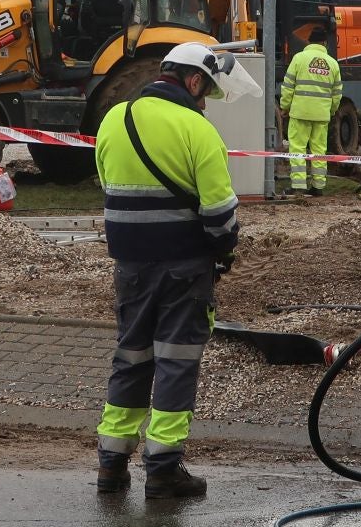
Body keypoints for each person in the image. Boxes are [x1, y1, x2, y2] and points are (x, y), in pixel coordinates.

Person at [92, 42, 242, 499]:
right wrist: (226, 249)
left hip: (130, 265)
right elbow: (219, 213)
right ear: (194, 81)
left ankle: (111, 465)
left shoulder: (113, 119)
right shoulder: (196, 129)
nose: (205, 102)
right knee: (176, 363)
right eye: (207, 92)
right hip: (184, 266)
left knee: (131, 357)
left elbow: (106, 185)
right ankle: (162, 468)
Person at [279, 25, 341, 195]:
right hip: (321, 115)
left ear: (309, 41)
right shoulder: (333, 64)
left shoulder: (299, 58)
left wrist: (285, 106)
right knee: (319, 150)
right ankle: (318, 187)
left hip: (300, 113)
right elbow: (337, 94)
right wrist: (331, 111)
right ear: (325, 43)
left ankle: (298, 186)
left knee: (298, 148)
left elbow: (288, 86)